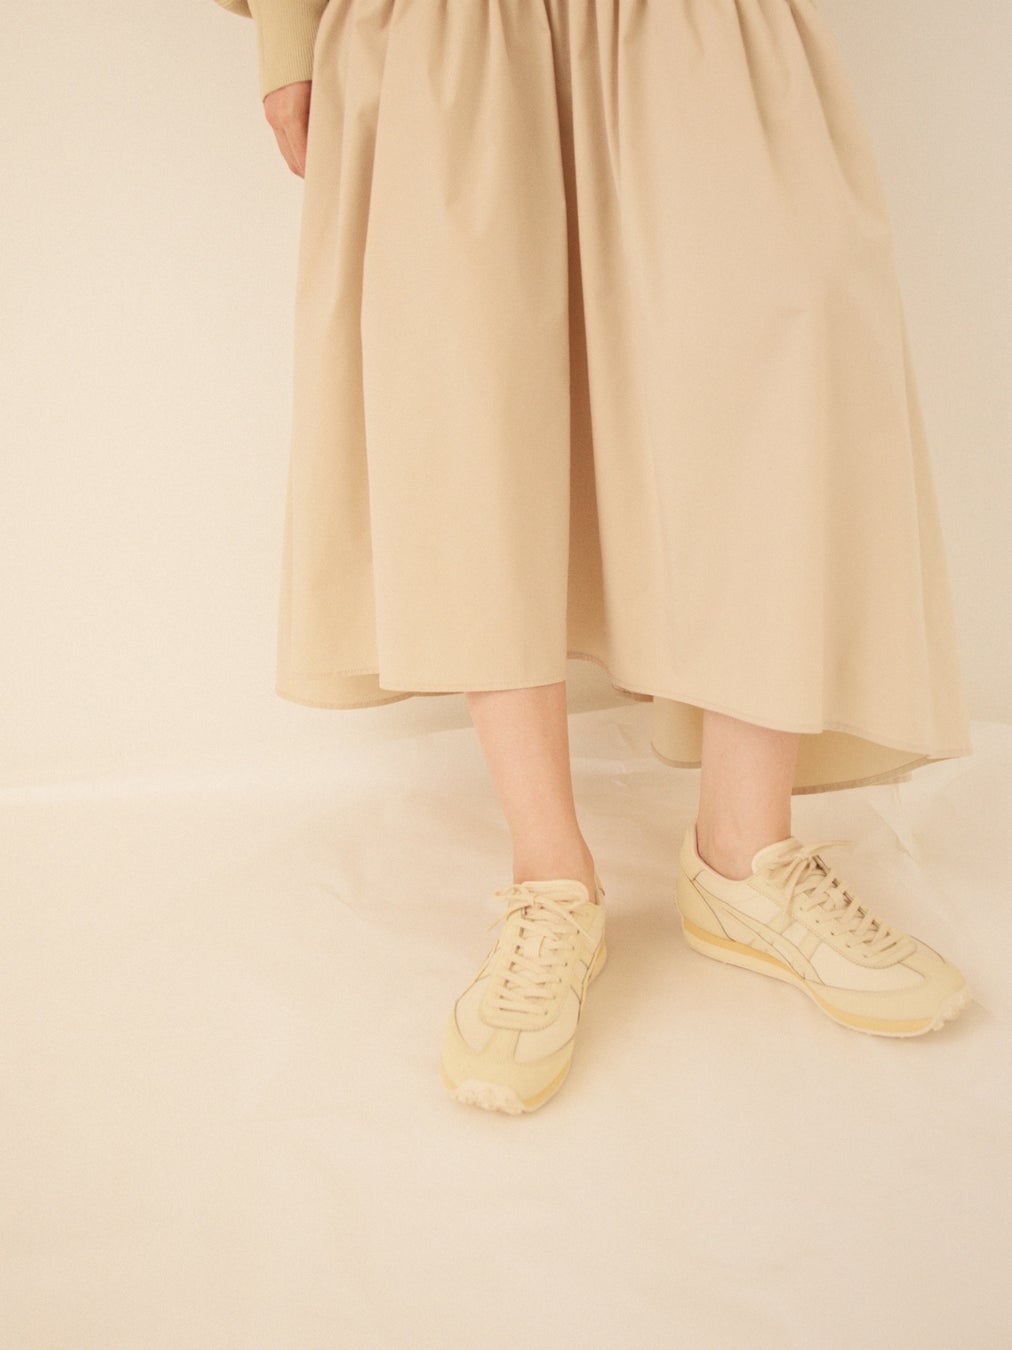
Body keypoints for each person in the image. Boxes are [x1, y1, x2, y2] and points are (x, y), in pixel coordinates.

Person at [211, 0, 975, 1115]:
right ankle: (550, 876)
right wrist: (286, 34)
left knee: (775, 345)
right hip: (440, 26)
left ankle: (744, 853)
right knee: (470, 390)